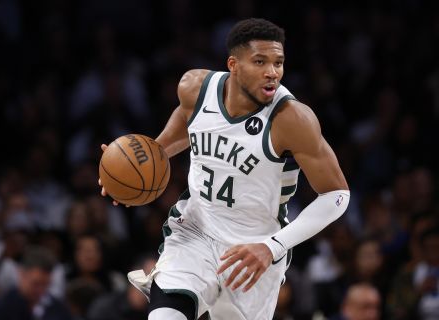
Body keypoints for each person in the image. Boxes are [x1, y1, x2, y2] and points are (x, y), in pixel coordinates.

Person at [99, 18, 349, 320]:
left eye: (278, 63)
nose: (272, 72)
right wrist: (126, 169)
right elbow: (167, 145)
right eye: (260, 62)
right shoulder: (195, 89)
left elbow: (337, 195)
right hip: (195, 232)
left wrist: (272, 247)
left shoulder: (292, 120)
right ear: (234, 64)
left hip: (253, 250)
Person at [0, 246, 72, 320]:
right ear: (21, 274)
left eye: (46, 285)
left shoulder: (58, 309)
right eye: (36, 283)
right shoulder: (1, 309)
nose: (41, 290)